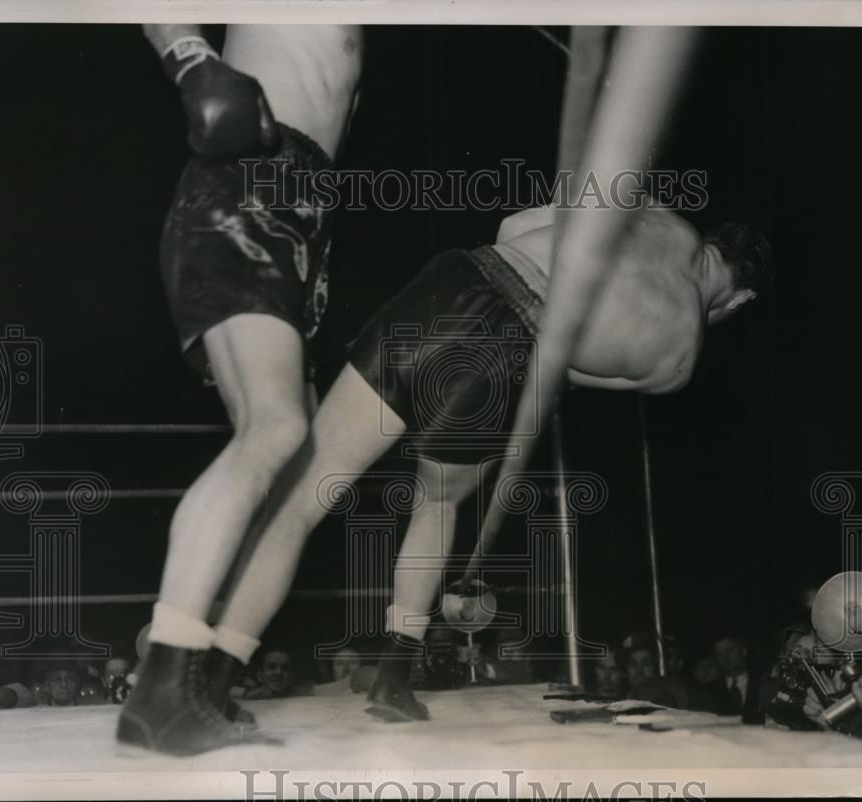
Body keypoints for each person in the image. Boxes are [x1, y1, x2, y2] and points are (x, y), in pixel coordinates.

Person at [196, 201, 769, 727]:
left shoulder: (659, 216)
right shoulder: (680, 357)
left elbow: (513, 230)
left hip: (456, 279)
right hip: (509, 340)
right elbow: (554, 372)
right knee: (437, 503)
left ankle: (210, 679)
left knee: (302, 495)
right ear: (740, 300)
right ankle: (393, 679)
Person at [117, 23, 362, 756]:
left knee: (295, 488)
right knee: (274, 428)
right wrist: (189, 57)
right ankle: (162, 684)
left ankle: (209, 680)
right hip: (253, 180)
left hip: (304, 210)